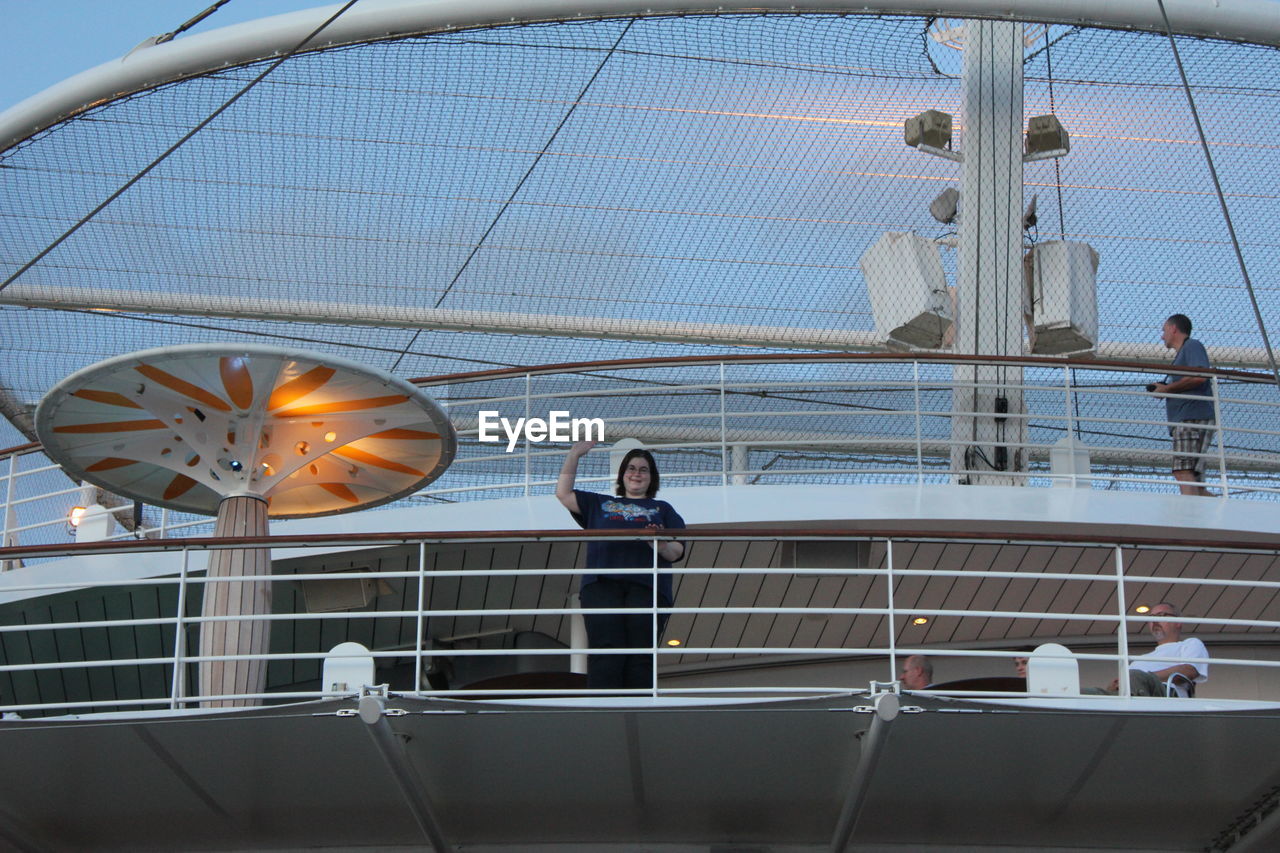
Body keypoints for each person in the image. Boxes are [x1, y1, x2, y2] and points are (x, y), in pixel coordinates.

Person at [556, 440, 685, 690]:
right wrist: (574, 455)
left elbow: (676, 550)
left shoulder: (663, 509)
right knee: (606, 651)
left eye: (643, 469)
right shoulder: (599, 504)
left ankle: (638, 714)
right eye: (632, 468)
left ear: (652, 478)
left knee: (641, 654)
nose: (637, 473)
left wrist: (659, 545)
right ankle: (604, 714)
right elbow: (563, 493)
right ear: (623, 474)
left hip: (648, 587)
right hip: (602, 584)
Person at [1149, 314, 1215, 496]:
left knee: (1182, 470)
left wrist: (1167, 389)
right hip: (1193, 417)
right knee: (1197, 483)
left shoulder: (1192, 346)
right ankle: (1221, 515)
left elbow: (1199, 376)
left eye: (1164, 330)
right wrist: (1166, 389)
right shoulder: (1184, 354)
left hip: (1190, 418)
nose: (1162, 336)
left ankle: (1190, 519)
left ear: (1173, 329)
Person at [1086, 603, 1209, 697]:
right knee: (1087, 693)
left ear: (1178, 622)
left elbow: (1189, 670)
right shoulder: (1138, 660)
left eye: (1161, 615)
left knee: (1135, 676)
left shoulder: (1189, 644)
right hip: (1130, 693)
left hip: (1167, 695)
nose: (1155, 621)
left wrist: (1146, 678)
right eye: (1151, 617)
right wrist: (1113, 686)